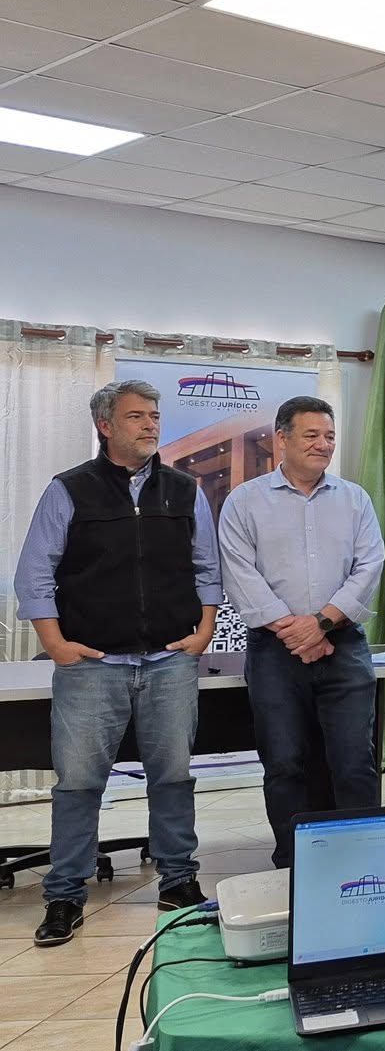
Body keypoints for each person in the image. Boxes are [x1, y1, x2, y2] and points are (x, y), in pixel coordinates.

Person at [15, 380, 220, 945]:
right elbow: (34, 573)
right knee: (79, 783)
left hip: (168, 661)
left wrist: (204, 629)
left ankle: (178, 882)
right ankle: (64, 895)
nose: (150, 424)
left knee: (173, 776)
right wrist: (56, 643)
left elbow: (208, 567)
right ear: (105, 425)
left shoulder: (185, 490)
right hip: (92, 664)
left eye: (154, 415)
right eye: (136, 416)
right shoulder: (69, 489)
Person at [218, 396, 385, 869]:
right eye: (311, 435)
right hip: (275, 650)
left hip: (344, 644)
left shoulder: (355, 499)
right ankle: (295, 866)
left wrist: (322, 623)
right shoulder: (244, 501)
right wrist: (295, 631)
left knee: (355, 762)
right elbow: (239, 572)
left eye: (329, 436)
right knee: (284, 763)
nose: (323, 445)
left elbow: (369, 565)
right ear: (282, 439)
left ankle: (362, 863)